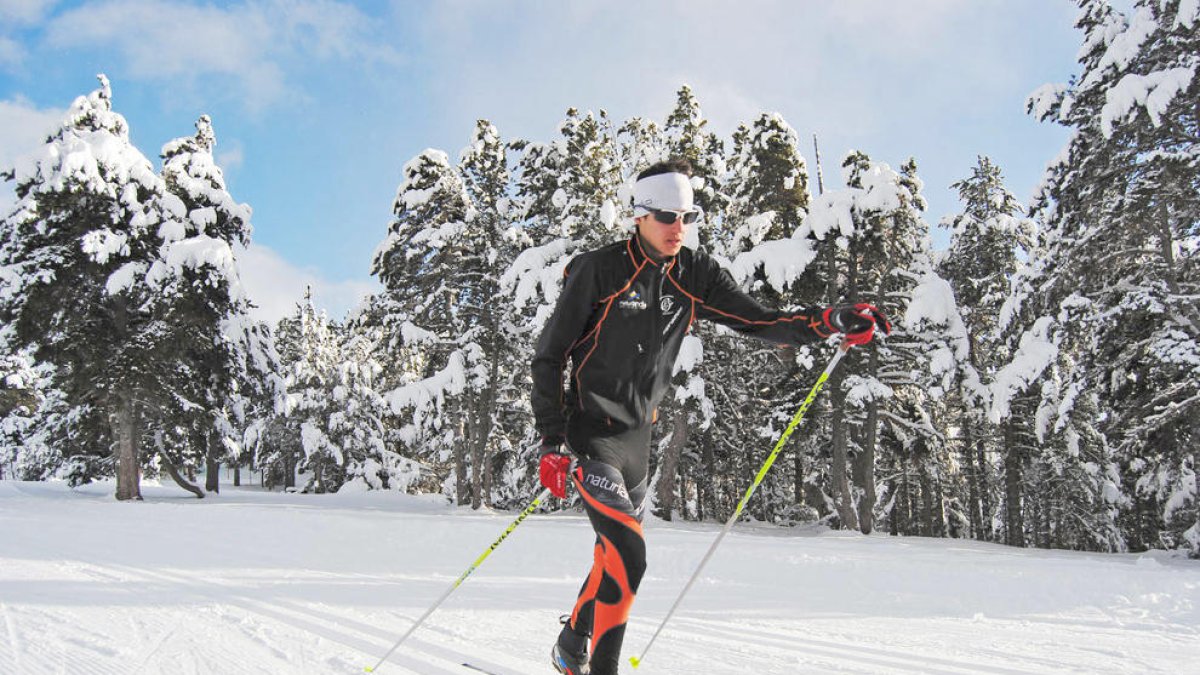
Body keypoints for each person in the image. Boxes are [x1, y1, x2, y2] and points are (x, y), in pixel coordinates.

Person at [532, 159, 889, 675]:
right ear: (639, 215)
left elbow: (761, 320)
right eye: (666, 216)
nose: (678, 228)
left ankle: (570, 644)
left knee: (611, 557)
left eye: (687, 217)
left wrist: (828, 321)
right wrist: (550, 439)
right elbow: (550, 355)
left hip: (638, 439)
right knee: (629, 554)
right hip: (591, 434)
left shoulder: (695, 274)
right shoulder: (600, 270)